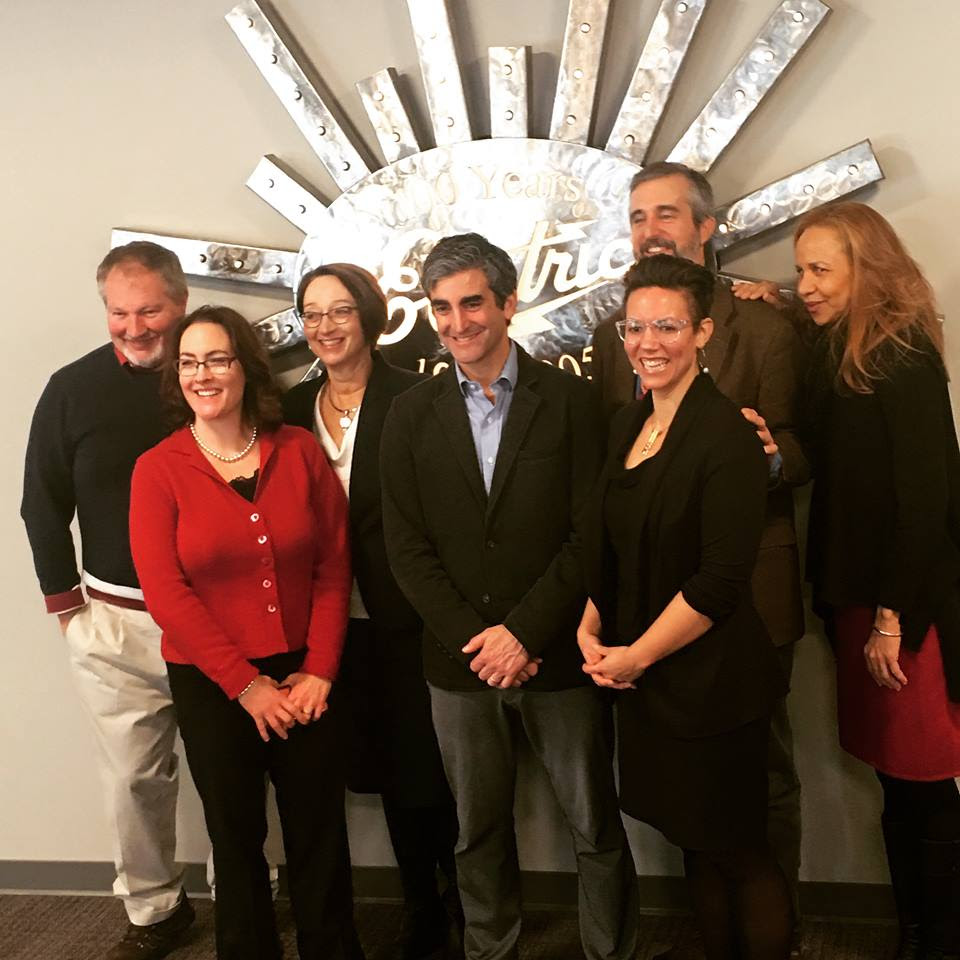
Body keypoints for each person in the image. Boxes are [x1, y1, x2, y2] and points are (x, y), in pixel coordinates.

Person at [380, 233, 639, 960]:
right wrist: (482, 641)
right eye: (441, 308)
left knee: (594, 826)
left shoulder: (572, 403)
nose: (457, 322)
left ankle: (609, 950)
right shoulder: (409, 414)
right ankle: (491, 949)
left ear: (508, 302)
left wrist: (522, 633)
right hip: (460, 664)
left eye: (472, 303)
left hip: (556, 654)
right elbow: (407, 547)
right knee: (477, 832)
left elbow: (589, 536)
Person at [591, 161, 808, 938]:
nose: (652, 228)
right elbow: (616, 497)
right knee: (694, 821)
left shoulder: (765, 322)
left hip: (737, 604)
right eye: (638, 215)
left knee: (754, 804)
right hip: (654, 616)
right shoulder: (619, 368)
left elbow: (803, 446)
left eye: (667, 213)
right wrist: (603, 626)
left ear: (706, 228)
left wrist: (763, 458)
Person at [129, 305, 361, 960]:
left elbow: (333, 567)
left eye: (217, 358)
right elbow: (166, 594)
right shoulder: (158, 469)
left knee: (319, 832)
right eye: (190, 362)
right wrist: (248, 686)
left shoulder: (298, 450)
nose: (203, 374)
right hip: (213, 683)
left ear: (244, 368)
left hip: (305, 674)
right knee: (235, 841)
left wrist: (319, 669)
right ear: (178, 377)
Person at [794, 202, 960, 960]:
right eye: (799, 270)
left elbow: (928, 499)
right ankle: (916, 932)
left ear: (868, 269)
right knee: (895, 786)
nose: (804, 285)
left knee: (926, 788)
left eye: (819, 269)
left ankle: (940, 936)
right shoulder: (839, 351)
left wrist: (894, 617)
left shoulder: (903, 355)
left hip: (907, 608)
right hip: (859, 602)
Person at [21, 241, 195, 960]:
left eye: (148, 309)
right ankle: (154, 911)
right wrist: (68, 609)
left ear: (179, 303)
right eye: (119, 312)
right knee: (131, 780)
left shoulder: (221, 374)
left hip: (221, 619)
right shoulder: (72, 388)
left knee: (242, 773)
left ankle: (255, 890)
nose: (134, 326)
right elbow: (41, 501)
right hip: (115, 623)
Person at [282, 263, 461, 960]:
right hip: (324, 629)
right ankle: (418, 908)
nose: (325, 326)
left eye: (340, 311)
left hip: (408, 619)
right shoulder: (291, 410)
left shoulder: (420, 396)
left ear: (371, 317)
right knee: (376, 772)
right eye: (312, 313)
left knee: (426, 777)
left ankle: (453, 911)